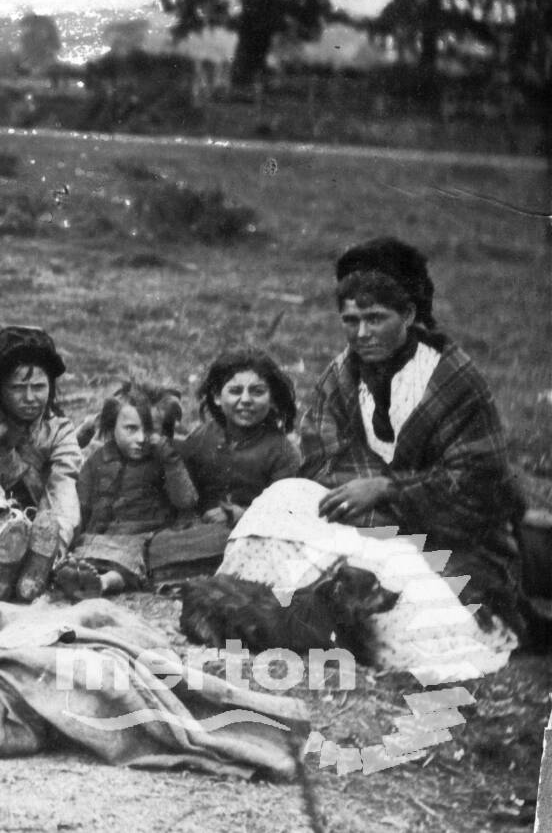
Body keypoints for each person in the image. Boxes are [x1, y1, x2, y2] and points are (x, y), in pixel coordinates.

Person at [222, 238, 522, 654]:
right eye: (351, 321)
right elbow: (320, 459)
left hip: (451, 540)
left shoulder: (453, 380)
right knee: (283, 497)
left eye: (376, 319)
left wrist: (388, 489)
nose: (362, 334)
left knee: (426, 610)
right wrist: (365, 500)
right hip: (364, 526)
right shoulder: (341, 375)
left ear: (409, 315)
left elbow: (478, 482)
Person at [145, 348, 302, 584]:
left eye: (257, 392)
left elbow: (289, 515)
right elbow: (183, 482)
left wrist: (241, 514)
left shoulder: (282, 451)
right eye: (235, 391)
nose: (246, 399)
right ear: (217, 397)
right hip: (198, 531)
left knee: (244, 548)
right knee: (159, 542)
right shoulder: (203, 436)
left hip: (247, 535)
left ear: (272, 399)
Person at [0, 326, 84, 602]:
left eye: (39, 387)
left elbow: (63, 486)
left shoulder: (58, 430)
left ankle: (43, 559)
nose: (30, 398)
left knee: (64, 498)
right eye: (17, 388)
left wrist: (55, 538)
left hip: (43, 524)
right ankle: (2, 538)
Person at [51, 382, 199, 600]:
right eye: (131, 429)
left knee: (128, 562)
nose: (141, 439)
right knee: (80, 553)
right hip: (99, 533)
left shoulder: (164, 460)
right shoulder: (99, 459)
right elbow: (81, 501)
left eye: (151, 431)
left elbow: (186, 500)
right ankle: (73, 575)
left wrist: (169, 459)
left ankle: (103, 583)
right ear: (113, 427)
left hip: (139, 535)